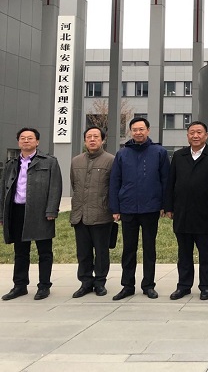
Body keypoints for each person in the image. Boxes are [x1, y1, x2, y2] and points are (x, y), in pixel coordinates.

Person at [110, 117, 170, 300]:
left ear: (148, 130)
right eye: (135, 129)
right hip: (128, 207)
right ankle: (127, 285)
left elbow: (166, 180)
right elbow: (115, 181)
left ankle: (148, 285)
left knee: (149, 248)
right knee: (129, 249)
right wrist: (115, 208)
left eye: (141, 129)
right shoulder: (122, 154)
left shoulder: (159, 152)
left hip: (151, 207)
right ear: (130, 132)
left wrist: (165, 205)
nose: (138, 132)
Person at [164, 121, 208, 301]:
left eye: (199, 132)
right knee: (184, 253)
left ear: (206, 135)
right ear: (187, 135)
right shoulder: (179, 155)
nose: (195, 136)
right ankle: (183, 286)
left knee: (206, 252)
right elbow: (171, 182)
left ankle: (206, 286)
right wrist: (169, 206)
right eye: (192, 132)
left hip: (205, 213)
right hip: (181, 212)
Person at [1, 127, 62, 301]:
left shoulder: (49, 162)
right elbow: (3, 190)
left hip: (40, 212)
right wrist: (2, 215)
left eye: (30, 138)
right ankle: (19, 285)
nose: (26, 141)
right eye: (22, 138)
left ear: (37, 141)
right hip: (17, 211)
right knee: (20, 251)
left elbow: (55, 187)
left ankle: (44, 286)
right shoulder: (11, 164)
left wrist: (51, 210)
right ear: (18, 141)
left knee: (44, 251)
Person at [69, 126, 115, 298]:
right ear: (84, 140)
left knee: (101, 252)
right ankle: (85, 282)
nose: (92, 140)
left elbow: (114, 186)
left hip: (101, 214)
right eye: (89, 137)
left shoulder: (111, 160)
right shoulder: (76, 161)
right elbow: (74, 185)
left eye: (96, 137)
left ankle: (100, 282)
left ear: (102, 140)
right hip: (80, 215)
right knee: (83, 252)